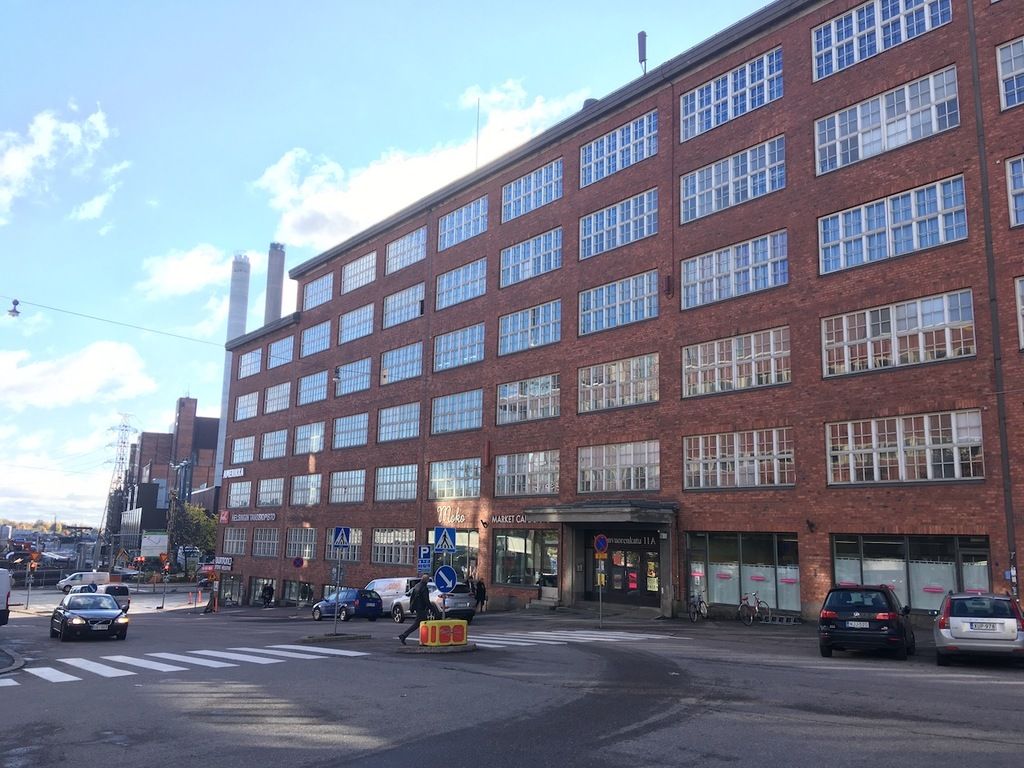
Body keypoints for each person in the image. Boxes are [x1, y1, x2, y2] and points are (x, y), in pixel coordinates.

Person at [398, 574, 430, 645]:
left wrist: (411, 607)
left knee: (422, 624)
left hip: (417, 608)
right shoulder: (424, 588)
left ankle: (425, 639)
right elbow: (426, 600)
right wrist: (431, 608)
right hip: (422, 609)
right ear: (427, 580)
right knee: (420, 624)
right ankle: (404, 635)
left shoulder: (416, 586)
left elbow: (412, 598)